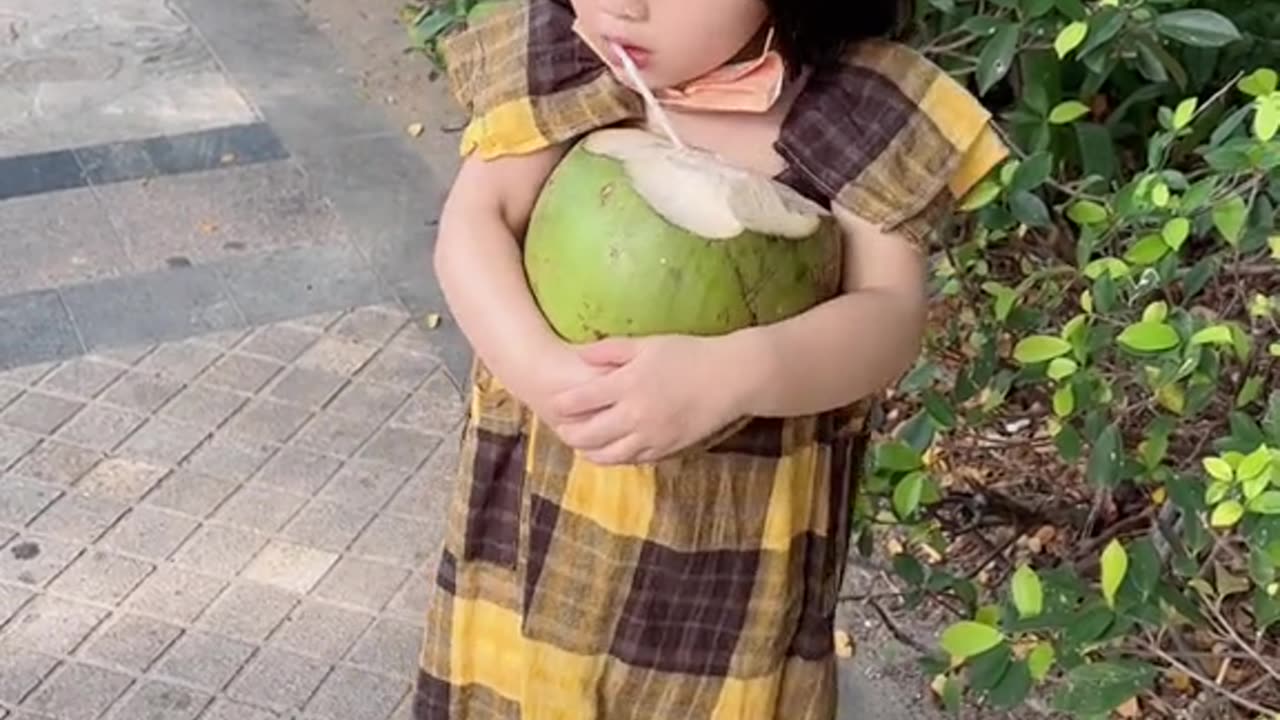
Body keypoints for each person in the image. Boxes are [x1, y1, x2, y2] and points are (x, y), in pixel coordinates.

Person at [413, 0, 1008, 717]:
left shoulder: (859, 107)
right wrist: (541, 370)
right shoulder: (568, 61)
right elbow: (475, 223)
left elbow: (889, 314)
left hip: (733, 548)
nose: (620, 5)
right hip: (540, 513)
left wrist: (736, 372)